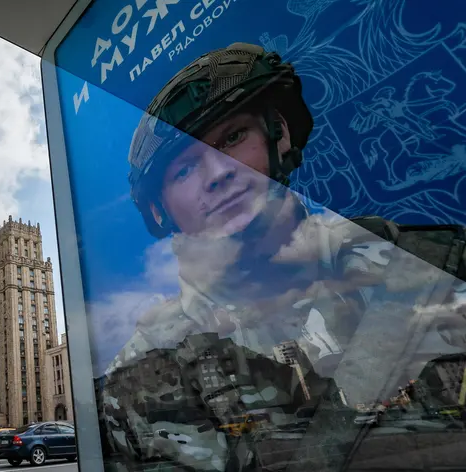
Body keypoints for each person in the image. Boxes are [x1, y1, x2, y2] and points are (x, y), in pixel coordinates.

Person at [100, 42, 466, 472]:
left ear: (279, 132)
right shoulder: (145, 366)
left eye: (233, 138)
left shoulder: (431, 264)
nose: (218, 174)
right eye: (184, 169)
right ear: (160, 209)